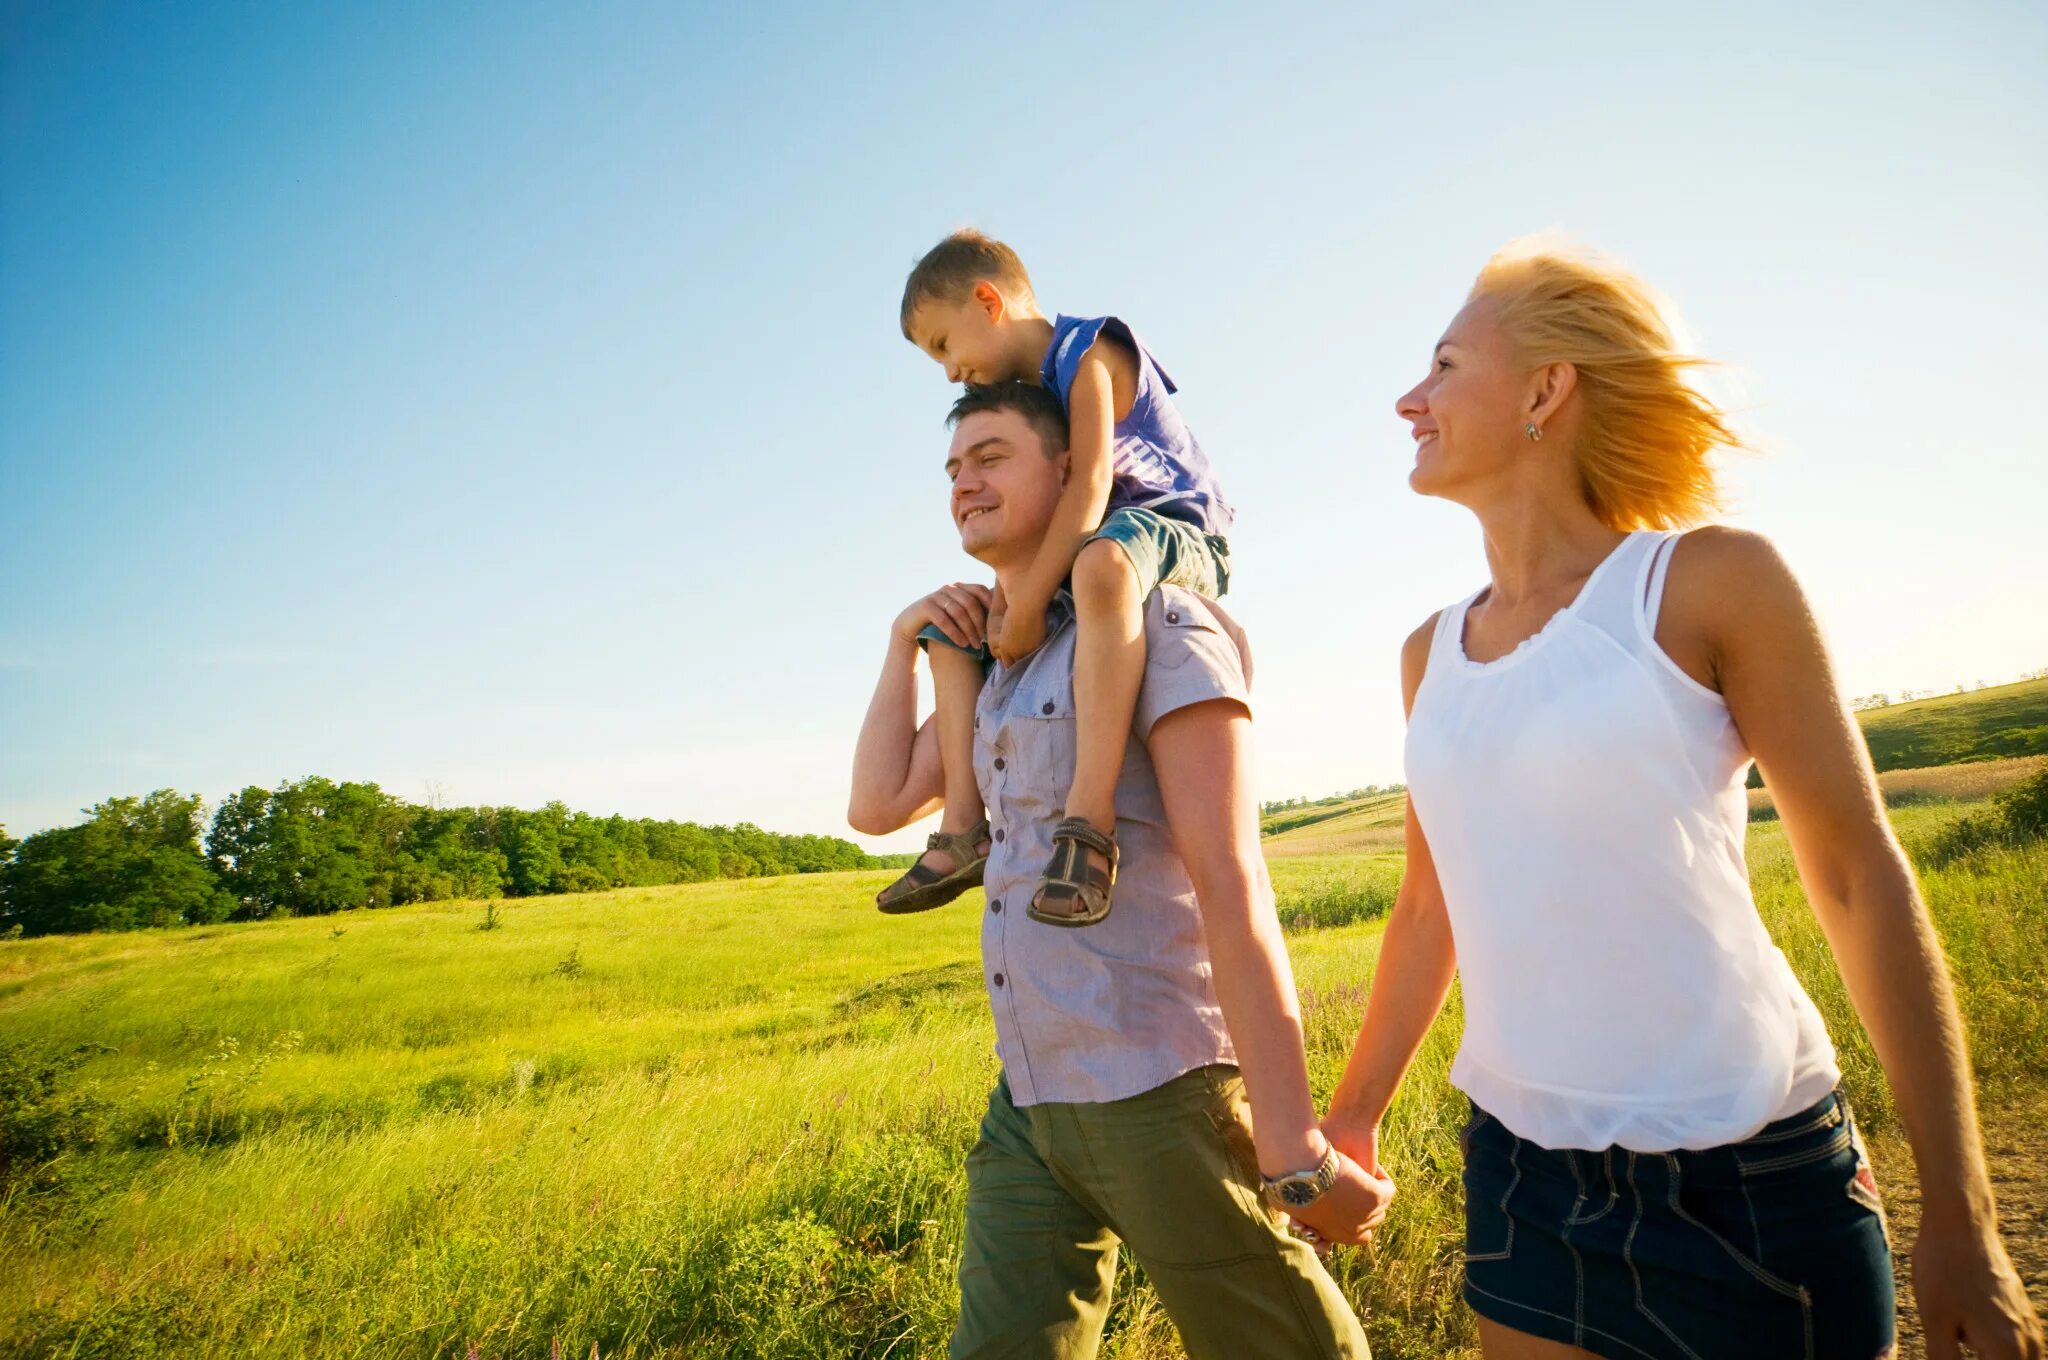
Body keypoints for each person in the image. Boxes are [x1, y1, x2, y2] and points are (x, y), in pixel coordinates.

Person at [1316, 239, 2044, 1360]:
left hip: (1745, 1176)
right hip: (1520, 1174)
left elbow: (1854, 875)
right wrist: (1353, 1113)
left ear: (1544, 390)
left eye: (1445, 365)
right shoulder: (1428, 654)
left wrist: (1961, 1207)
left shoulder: (1709, 582)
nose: (1407, 398)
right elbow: (1428, 909)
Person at [848, 381, 1387, 1359]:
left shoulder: (1160, 625)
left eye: (991, 456)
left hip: (1155, 1090)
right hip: (1028, 1097)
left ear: (1071, 471)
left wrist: (1293, 1149)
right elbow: (877, 803)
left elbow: (1231, 880)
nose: (964, 481)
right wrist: (903, 641)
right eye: (952, 467)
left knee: (1290, 1349)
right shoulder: (996, 666)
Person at [874, 229, 1232, 927]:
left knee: (1099, 563)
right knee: (958, 630)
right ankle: (963, 827)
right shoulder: (1033, 389)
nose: (949, 372)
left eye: (945, 346)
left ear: (987, 301)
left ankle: (1089, 822)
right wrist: (1002, 605)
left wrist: (1032, 599)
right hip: (1103, 549)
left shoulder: (1084, 352)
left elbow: (1091, 484)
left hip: (1176, 531)